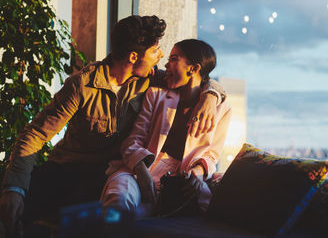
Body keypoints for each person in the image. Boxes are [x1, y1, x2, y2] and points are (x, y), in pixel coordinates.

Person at [0, 16, 226, 236]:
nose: (161, 57)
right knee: (16, 212)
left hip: (106, 175)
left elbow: (195, 77)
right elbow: (35, 134)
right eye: (155, 51)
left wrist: (211, 95)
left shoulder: (148, 78)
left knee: (100, 212)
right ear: (134, 56)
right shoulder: (82, 85)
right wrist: (14, 188)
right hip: (67, 169)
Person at [100, 39, 232, 217]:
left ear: (192, 68)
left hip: (181, 177)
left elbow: (212, 154)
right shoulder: (156, 95)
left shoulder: (220, 108)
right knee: (120, 198)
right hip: (141, 167)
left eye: (174, 59)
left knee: (205, 207)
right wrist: (141, 171)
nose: (166, 64)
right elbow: (133, 139)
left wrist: (198, 172)